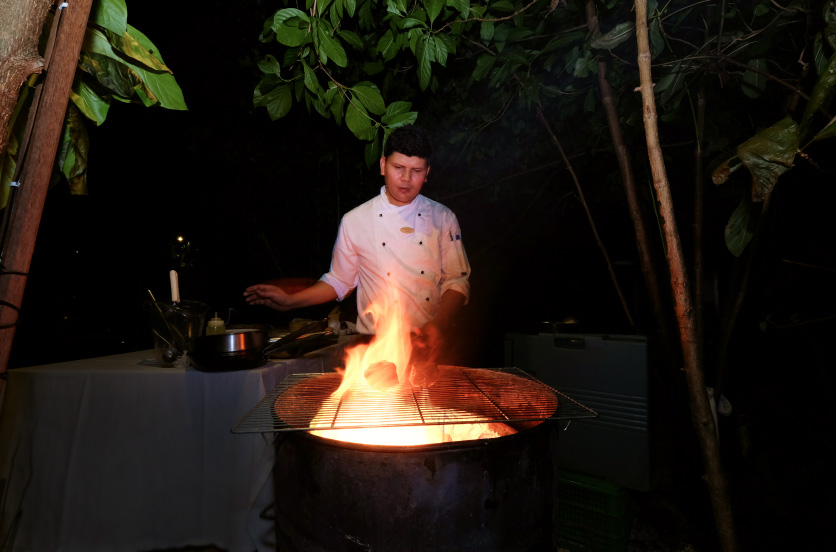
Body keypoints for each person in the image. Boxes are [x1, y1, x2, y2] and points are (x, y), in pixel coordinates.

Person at [243, 125, 470, 363]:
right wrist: (291, 301)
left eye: (416, 171)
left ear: (427, 173)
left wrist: (438, 325)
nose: (406, 179)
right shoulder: (356, 220)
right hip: (373, 347)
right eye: (398, 168)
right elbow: (340, 281)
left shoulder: (443, 218)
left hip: (427, 344)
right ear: (383, 165)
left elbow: (457, 280)